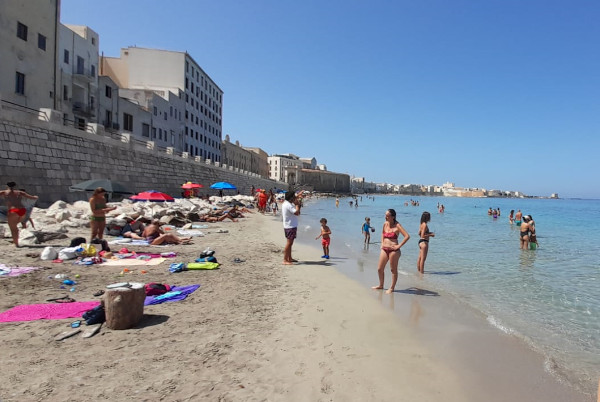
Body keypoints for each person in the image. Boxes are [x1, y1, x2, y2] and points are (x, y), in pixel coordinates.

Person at [372, 209, 410, 294]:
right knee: (379, 268)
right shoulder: (385, 224)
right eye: (385, 215)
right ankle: (381, 285)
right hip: (384, 249)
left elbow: (407, 236)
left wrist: (399, 246)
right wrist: (382, 243)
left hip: (394, 251)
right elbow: (382, 233)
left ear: (393, 217)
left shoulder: (398, 226)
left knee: (393, 270)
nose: (385, 217)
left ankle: (392, 288)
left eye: (387, 216)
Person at [0, 182, 38, 247]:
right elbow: (33, 197)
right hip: (22, 211)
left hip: (13, 210)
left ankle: (16, 244)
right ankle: (17, 240)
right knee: (16, 226)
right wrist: (36, 197)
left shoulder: (4, 192)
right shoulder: (20, 192)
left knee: (13, 228)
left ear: (7, 186)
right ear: (15, 186)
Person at [282, 191, 301, 265]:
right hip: (290, 226)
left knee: (290, 243)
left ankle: (289, 258)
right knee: (289, 243)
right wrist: (297, 205)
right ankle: (285, 260)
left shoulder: (287, 203)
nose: (294, 198)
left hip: (290, 225)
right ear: (291, 198)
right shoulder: (288, 205)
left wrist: (297, 202)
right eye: (293, 197)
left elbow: (297, 213)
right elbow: (296, 213)